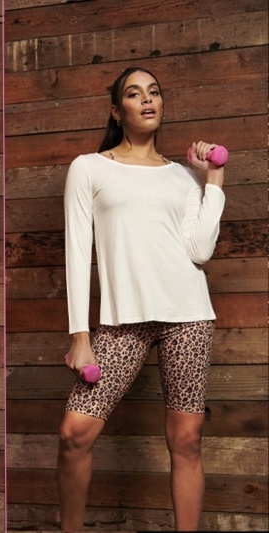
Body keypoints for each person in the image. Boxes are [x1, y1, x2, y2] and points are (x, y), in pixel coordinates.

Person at [58, 66, 225, 531]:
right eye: (134, 94)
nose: (147, 100)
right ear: (118, 110)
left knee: (186, 440)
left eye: (154, 92)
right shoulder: (89, 168)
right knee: (75, 433)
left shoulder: (183, 178)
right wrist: (80, 335)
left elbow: (200, 250)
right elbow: (77, 251)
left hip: (188, 315)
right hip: (121, 322)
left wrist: (213, 180)